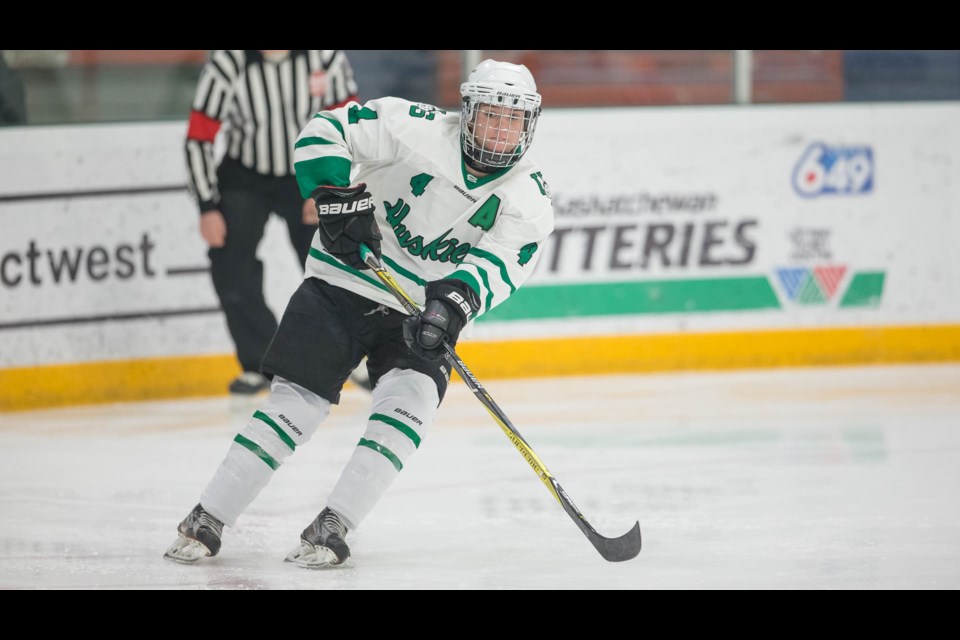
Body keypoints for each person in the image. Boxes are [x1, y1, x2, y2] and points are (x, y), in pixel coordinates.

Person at [165, 59, 554, 567]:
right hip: (342, 283)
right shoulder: (410, 126)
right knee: (297, 402)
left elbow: (497, 265)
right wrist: (334, 194)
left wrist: (451, 305)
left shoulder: (529, 197)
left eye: (512, 119)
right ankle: (208, 516)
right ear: (468, 112)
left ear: (529, 125)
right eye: (490, 115)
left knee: (410, 404)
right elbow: (325, 129)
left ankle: (334, 524)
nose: (500, 130)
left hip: (419, 310)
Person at [185, 50, 359, 396]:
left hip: (308, 174)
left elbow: (352, 124)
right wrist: (206, 206)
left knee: (337, 263)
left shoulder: (323, 56)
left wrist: (327, 186)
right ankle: (260, 362)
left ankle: (354, 356)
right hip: (245, 175)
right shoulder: (229, 61)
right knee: (231, 267)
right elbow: (199, 137)